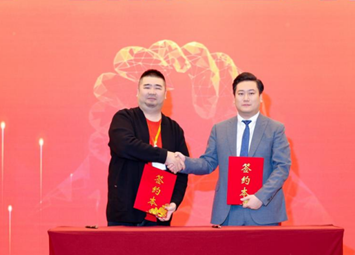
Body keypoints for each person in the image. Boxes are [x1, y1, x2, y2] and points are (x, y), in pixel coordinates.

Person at [175, 72, 291, 226]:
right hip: (228, 213)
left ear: (261, 97)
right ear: (234, 98)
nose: (246, 98)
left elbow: (282, 167)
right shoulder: (220, 129)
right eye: (240, 93)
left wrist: (261, 197)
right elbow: (208, 163)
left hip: (263, 211)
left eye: (251, 93)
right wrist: (184, 162)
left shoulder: (275, 129)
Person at [107, 69, 188, 226]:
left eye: (158, 87)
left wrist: (174, 202)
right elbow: (125, 145)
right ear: (138, 92)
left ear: (165, 94)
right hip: (125, 213)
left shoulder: (174, 129)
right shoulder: (124, 118)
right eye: (147, 87)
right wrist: (165, 156)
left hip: (160, 214)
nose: (152, 92)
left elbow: (182, 169)